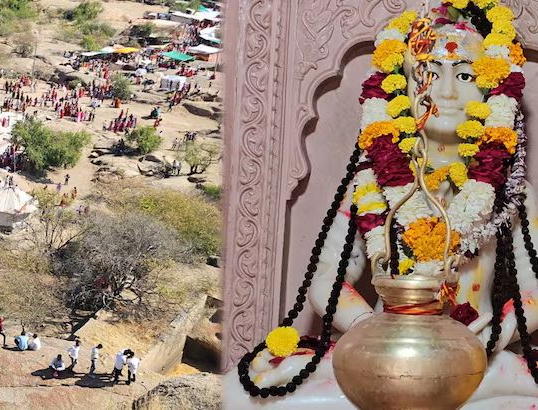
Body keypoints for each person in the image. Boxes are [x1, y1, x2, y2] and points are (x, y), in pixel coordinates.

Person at [225, 3, 538, 408]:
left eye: (464, 75)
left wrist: (496, 333)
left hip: (477, 361)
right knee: (244, 390)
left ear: (492, 89)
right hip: (380, 357)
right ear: (400, 88)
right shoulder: (372, 182)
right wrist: (371, 332)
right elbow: (327, 277)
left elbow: (534, 286)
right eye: (427, 74)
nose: (445, 92)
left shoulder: (511, 190)